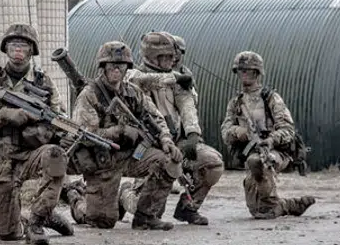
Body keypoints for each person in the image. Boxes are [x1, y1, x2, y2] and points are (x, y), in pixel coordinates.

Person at [0, 23, 73, 244]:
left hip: (31, 155)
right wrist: (1, 116)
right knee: (7, 234)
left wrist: (51, 131)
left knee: (55, 155)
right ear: (6, 50)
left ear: (32, 51)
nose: (18, 53)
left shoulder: (44, 83)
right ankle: (26, 219)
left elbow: (61, 122)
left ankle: (38, 221)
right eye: (13, 47)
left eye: (23, 47)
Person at [62, 41, 182, 231]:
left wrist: (166, 140)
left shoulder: (133, 92)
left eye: (121, 65)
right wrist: (120, 132)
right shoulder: (90, 95)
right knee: (103, 221)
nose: (116, 69)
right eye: (111, 65)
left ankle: (145, 217)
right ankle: (75, 197)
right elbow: (83, 134)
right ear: (103, 67)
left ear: (127, 68)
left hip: (132, 156)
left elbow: (156, 118)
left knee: (168, 161)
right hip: (103, 162)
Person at [122, 31, 223, 226]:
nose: (173, 59)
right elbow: (139, 81)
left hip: (174, 142)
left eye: (173, 55)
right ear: (153, 57)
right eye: (167, 56)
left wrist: (193, 134)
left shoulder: (176, 79)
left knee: (212, 163)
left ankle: (188, 208)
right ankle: (126, 194)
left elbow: (186, 105)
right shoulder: (133, 75)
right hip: (147, 147)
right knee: (147, 207)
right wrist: (174, 77)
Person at [220, 51, 316, 220]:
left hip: (276, 152)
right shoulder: (236, 103)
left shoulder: (271, 98)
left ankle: (279, 204)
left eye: (247, 70)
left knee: (257, 161)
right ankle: (291, 205)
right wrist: (238, 132)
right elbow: (225, 132)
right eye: (240, 71)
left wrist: (270, 140)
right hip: (250, 153)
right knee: (257, 210)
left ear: (256, 73)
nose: (243, 75)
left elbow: (288, 130)